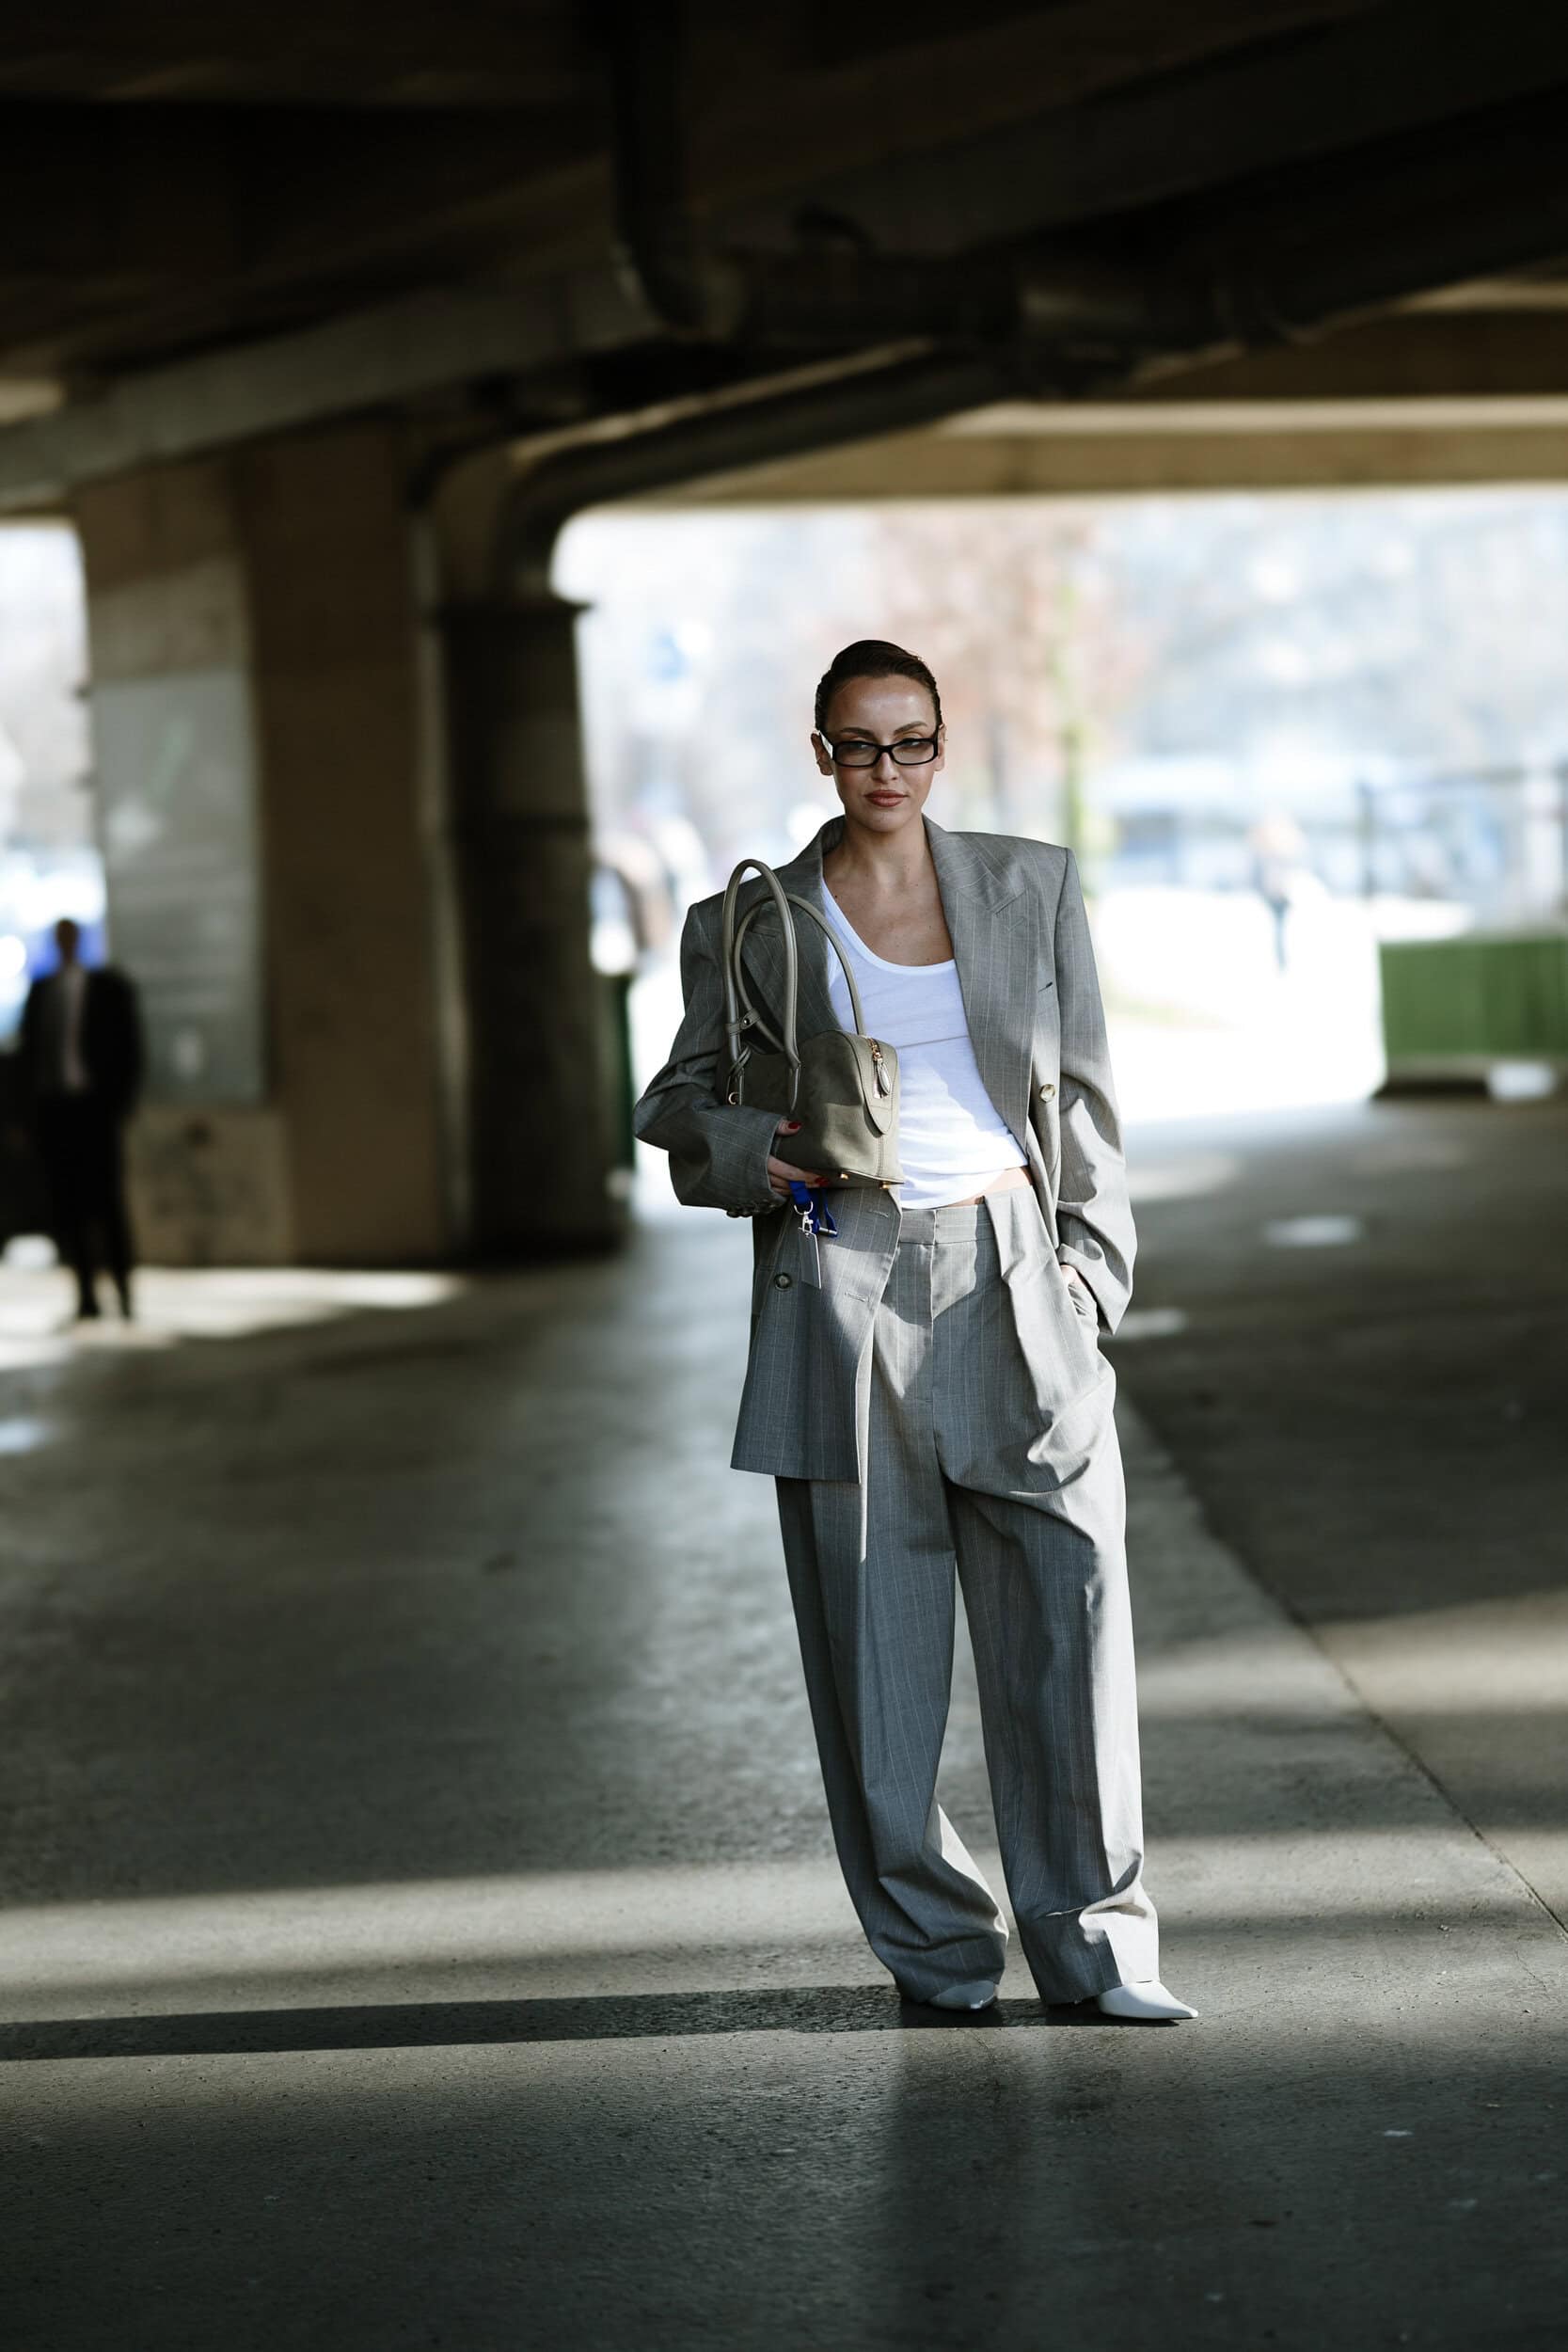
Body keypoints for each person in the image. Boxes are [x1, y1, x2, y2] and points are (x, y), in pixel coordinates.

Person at [633, 641, 1193, 2022]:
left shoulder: (1027, 885)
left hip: (1015, 1272)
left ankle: (1098, 1955)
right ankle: (938, 1956)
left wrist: (1083, 1289)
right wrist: (755, 1154)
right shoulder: (751, 922)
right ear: (817, 754)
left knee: (1070, 1614)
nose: (886, 770)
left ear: (942, 746)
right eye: (857, 744)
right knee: (872, 1656)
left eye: (911, 741)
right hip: (840, 1281)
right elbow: (671, 1102)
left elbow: (1086, 1101)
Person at [19, 918, 143, 1321]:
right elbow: (28, 1056)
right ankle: (86, 1293)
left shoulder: (109, 989)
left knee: (107, 1203)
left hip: (95, 1111)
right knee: (67, 1205)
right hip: (57, 1111)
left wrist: (119, 1104)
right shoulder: (41, 991)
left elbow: (130, 1049)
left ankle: (124, 1290)